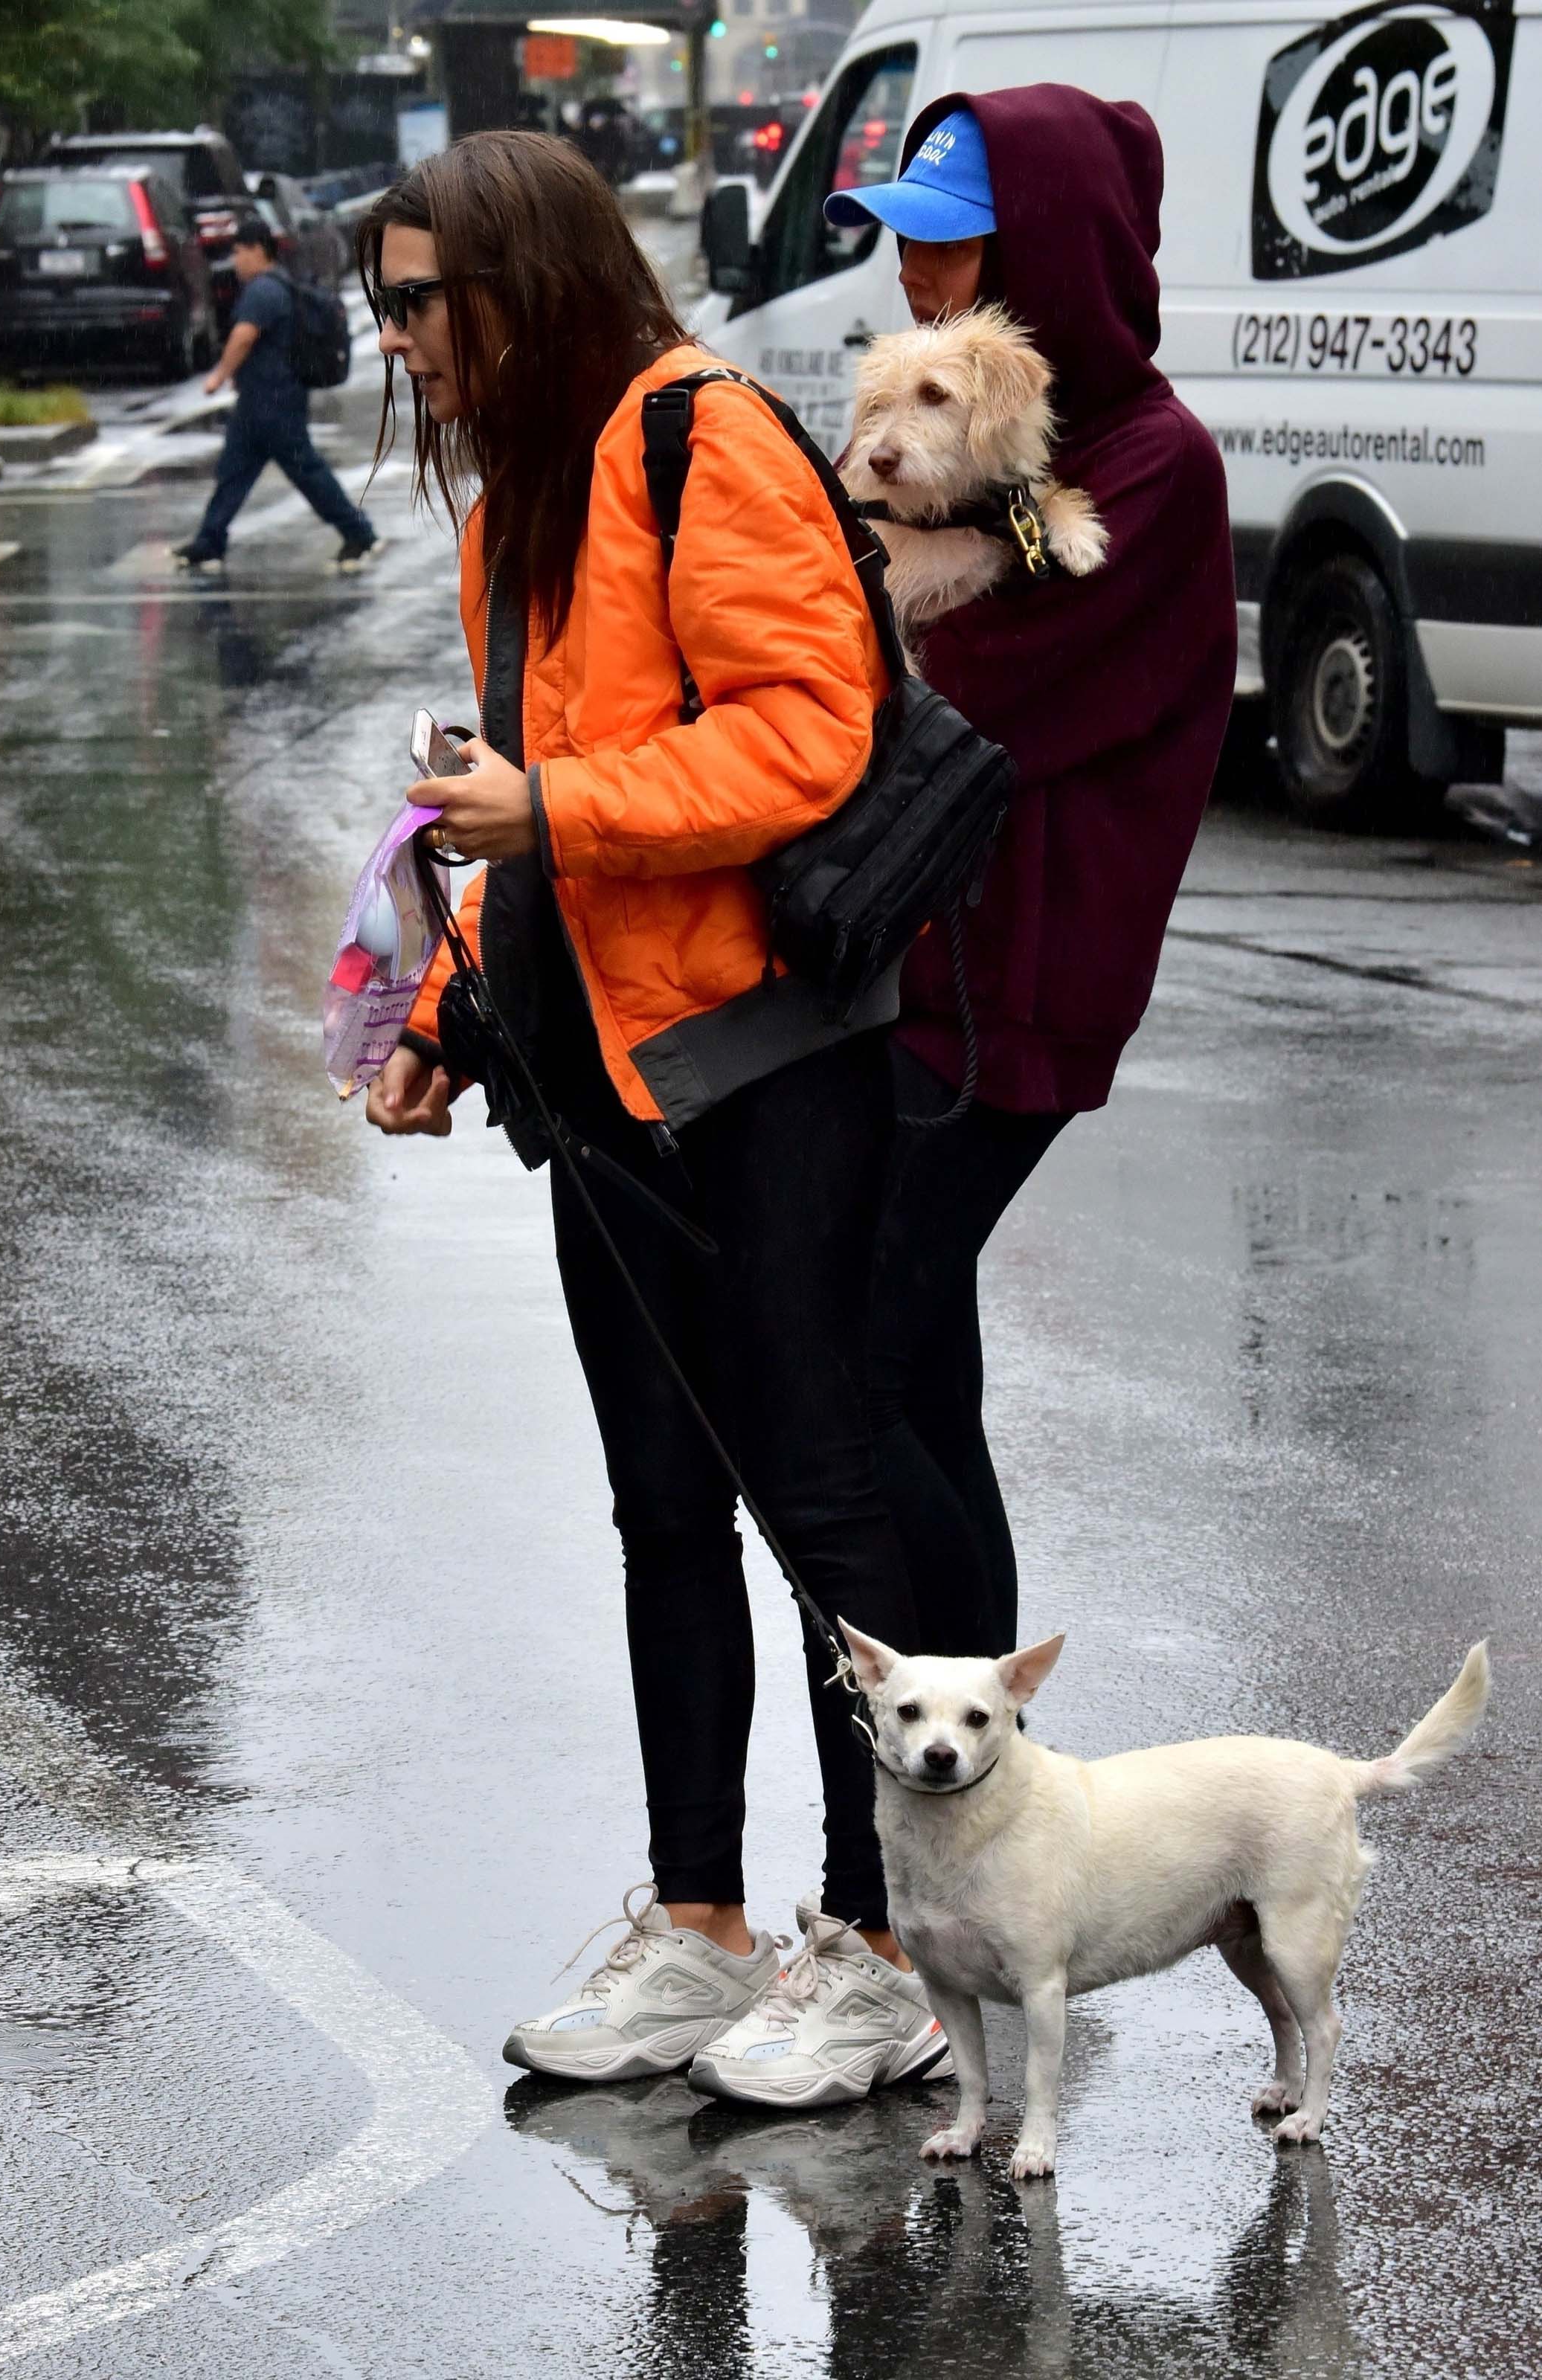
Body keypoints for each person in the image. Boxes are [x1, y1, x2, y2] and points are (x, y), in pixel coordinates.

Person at [357, 132, 948, 2107]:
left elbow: (808, 726)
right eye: (387, 305)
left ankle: (873, 1943)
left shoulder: (702, 435)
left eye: (424, 299)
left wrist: (561, 814)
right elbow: (526, 804)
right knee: (658, 1510)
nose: (404, 339)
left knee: (820, 1501)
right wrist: (450, 1016)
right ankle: (698, 1925)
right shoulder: (521, 490)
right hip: (600, 1079)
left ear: (526, 276)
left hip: (765, 1057)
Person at [823, 92, 1236, 1656]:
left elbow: (950, 696)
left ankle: (961, 1760)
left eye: (948, 247)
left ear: (1044, 258)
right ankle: (956, 1781)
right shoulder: (983, 442)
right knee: (919, 1364)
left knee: (856, 1357)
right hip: (916, 974)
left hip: (1014, 994)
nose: (917, 282)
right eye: (909, 249)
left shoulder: (1150, 467)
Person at [171, 213, 380, 576]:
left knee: (307, 474)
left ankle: (358, 532)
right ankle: (209, 542)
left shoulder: (263, 291)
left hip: (274, 404)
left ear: (257, 250)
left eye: (239, 252)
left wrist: (220, 375)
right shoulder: (277, 285)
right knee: (234, 473)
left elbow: (245, 336)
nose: (235, 261)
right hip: (262, 401)